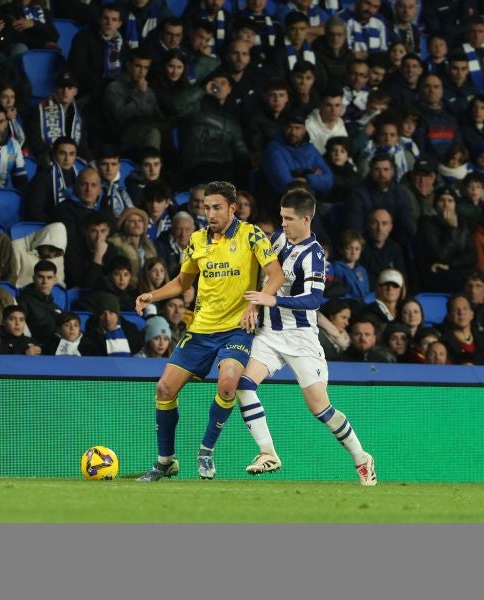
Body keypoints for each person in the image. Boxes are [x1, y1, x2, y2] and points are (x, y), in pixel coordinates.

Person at [135, 181, 284, 481]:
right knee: (164, 388)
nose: (211, 214)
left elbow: (275, 275)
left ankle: (206, 452)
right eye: (206, 208)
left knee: (228, 384)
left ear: (232, 208)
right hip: (201, 329)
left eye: (217, 207)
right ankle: (166, 461)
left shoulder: (251, 235)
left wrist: (255, 305)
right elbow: (182, 282)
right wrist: (153, 295)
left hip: (237, 329)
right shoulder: (196, 240)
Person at [232, 189, 377, 483]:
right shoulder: (278, 239)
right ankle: (267, 453)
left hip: (300, 338)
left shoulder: (314, 255)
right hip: (269, 333)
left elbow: (313, 300)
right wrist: (253, 307)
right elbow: (265, 278)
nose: (282, 224)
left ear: (306, 219)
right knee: (243, 384)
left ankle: (361, 458)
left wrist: (274, 301)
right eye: (281, 217)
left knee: (320, 408)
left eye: (288, 219)